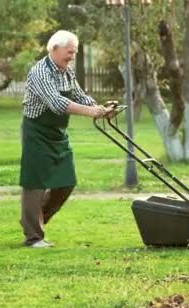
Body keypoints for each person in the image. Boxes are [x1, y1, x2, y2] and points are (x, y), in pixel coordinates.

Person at [19, 30, 114, 248]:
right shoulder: (40, 72)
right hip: (37, 132)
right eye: (69, 52)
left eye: (75, 52)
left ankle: (34, 220)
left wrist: (100, 108)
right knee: (35, 183)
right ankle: (33, 236)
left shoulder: (66, 71)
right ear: (54, 49)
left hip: (57, 134)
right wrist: (91, 113)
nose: (72, 56)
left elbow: (79, 95)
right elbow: (57, 103)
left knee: (66, 182)